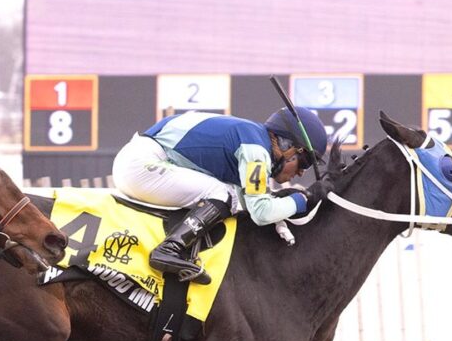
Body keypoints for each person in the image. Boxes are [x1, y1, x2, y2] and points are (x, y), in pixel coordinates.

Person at [112, 106, 329, 284]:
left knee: (230, 194)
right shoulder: (256, 150)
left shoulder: (252, 136)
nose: (301, 172)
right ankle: (170, 249)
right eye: (305, 163)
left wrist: (281, 204)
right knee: (223, 194)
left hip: (139, 161)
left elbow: (249, 199)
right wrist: (303, 200)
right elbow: (260, 212)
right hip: (140, 166)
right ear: (289, 147)